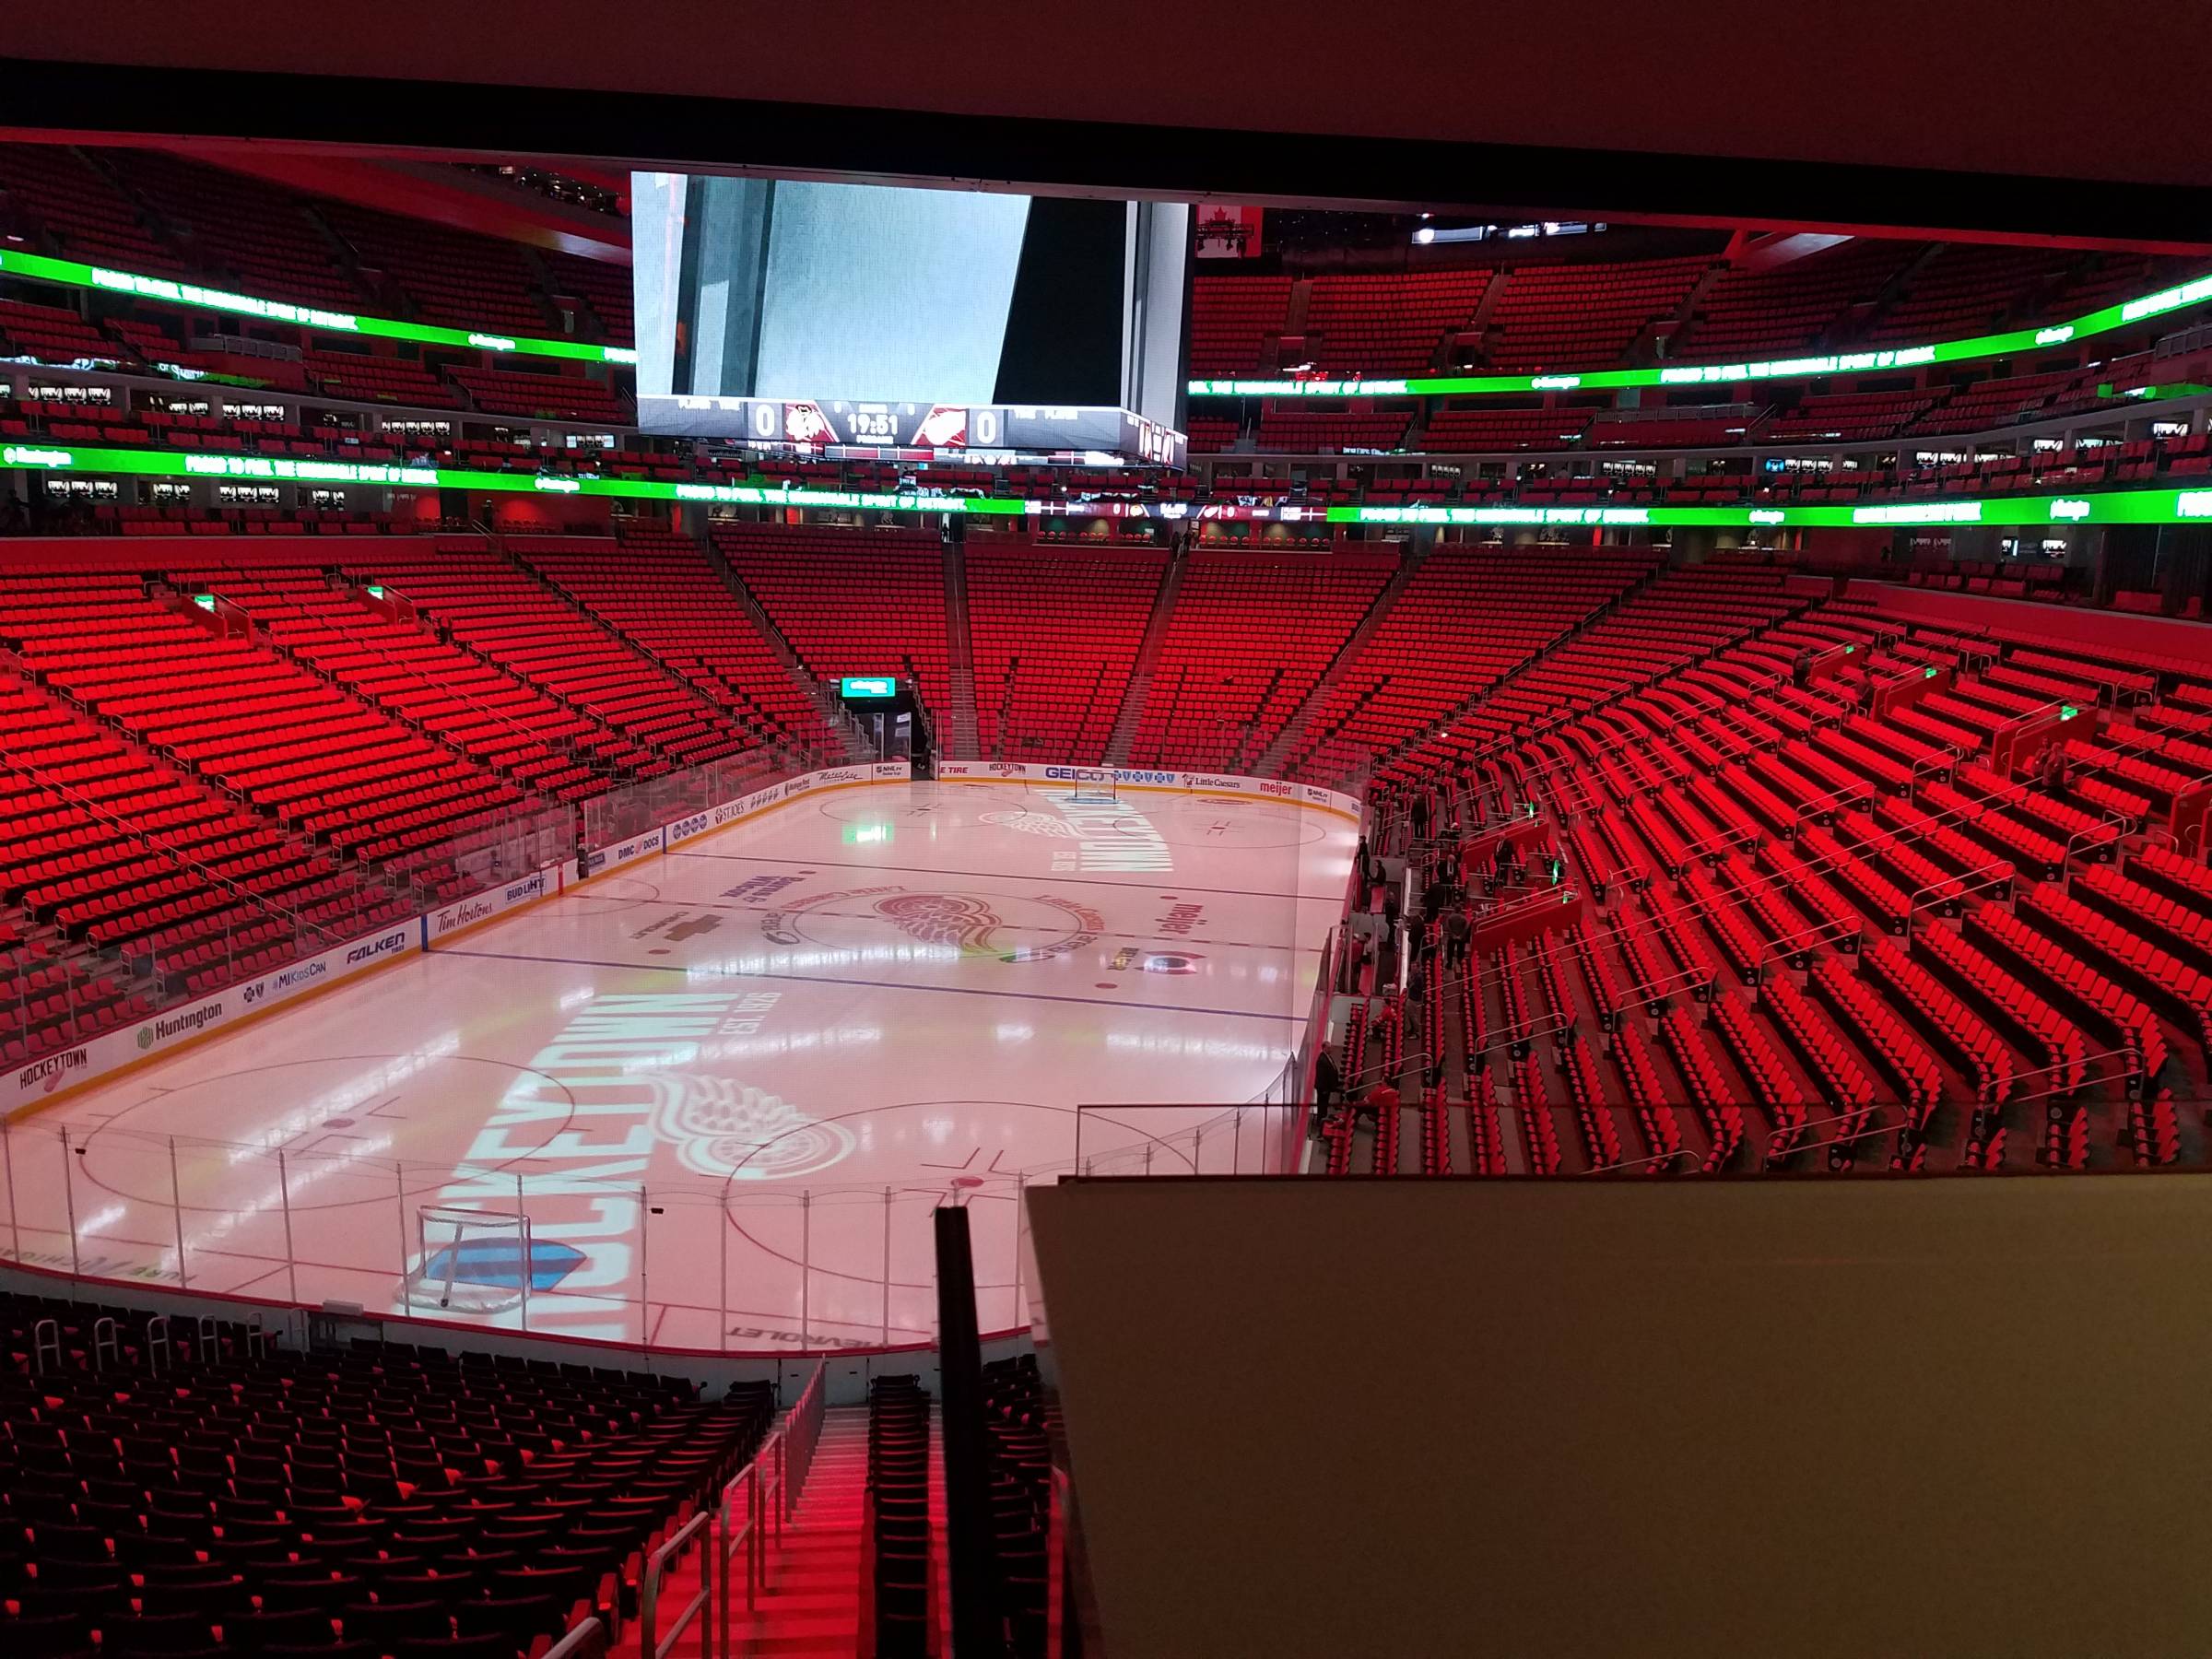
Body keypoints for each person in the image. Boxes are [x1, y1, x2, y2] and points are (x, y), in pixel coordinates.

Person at [1443, 905, 1472, 970]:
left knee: (1450, 952)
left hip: (1451, 938)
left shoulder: (1450, 917)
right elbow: (1466, 928)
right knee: (1461, 952)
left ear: (1454, 909)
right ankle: (1460, 965)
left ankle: (1449, 964)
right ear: (1461, 910)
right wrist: (1460, 936)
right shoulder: (1464, 918)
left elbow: (1447, 927)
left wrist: (1453, 935)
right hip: (1461, 939)